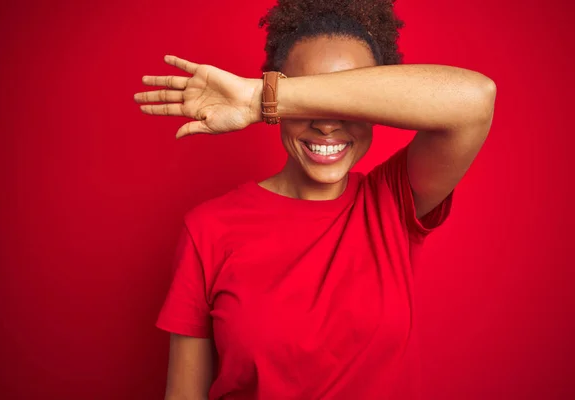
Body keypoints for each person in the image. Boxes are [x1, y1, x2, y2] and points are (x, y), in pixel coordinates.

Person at [133, 0, 496, 398]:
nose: (326, 124)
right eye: (306, 103)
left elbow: (475, 98)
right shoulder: (208, 228)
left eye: (343, 102)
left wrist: (260, 98)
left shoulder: (393, 200)